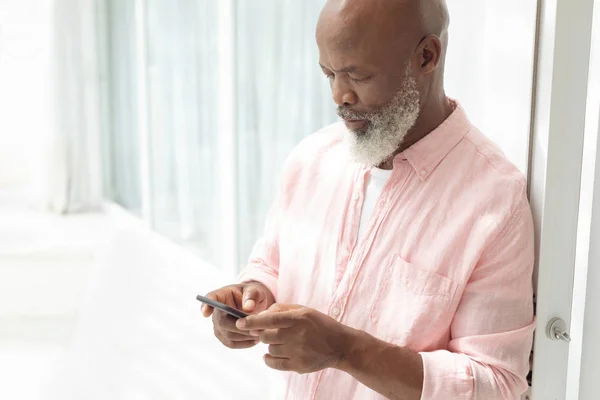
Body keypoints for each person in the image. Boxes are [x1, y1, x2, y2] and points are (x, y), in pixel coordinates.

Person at [201, 0, 535, 398]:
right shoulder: (310, 160)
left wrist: (347, 350)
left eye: (358, 75)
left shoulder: (494, 200)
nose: (340, 95)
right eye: (329, 74)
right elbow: (269, 262)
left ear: (427, 56)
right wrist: (252, 295)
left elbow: (496, 385)